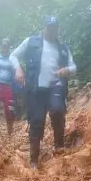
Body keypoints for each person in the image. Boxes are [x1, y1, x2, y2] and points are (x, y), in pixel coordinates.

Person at [10, 16, 76, 170]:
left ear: (58, 29)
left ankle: (59, 146)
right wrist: (18, 69)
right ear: (44, 28)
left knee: (58, 109)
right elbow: (13, 56)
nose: (52, 31)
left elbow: (74, 67)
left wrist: (67, 70)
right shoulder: (31, 42)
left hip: (55, 86)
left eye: (55, 28)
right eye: (49, 27)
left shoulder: (63, 48)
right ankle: (34, 159)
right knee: (37, 121)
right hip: (36, 89)